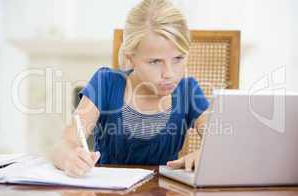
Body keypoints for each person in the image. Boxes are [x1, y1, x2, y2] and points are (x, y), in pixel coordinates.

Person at [51, 0, 209, 177]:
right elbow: (64, 143)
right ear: (130, 58)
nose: (169, 73)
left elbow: (222, 142)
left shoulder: (188, 91)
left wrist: (208, 154)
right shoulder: (106, 84)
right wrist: (70, 158)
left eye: (178, 58)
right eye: (155, 61)